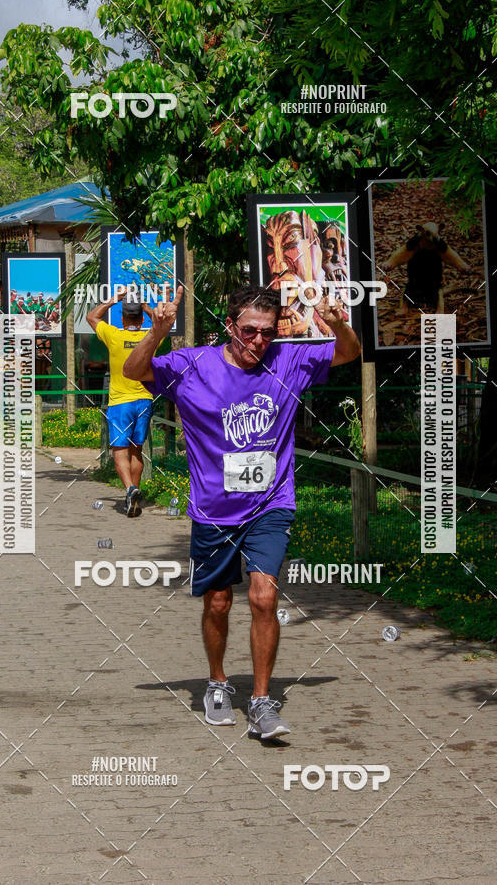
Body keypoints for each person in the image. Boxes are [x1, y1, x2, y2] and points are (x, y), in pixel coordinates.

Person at [123, 285, 361, 738]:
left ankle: (261, 701)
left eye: (266, 333)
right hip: (213, 510)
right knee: (217, 602)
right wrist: (157, 332)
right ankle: (216, 683)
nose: (257, 341)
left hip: (272, 503)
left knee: (264, 597)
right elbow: (133, 369)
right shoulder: (193, 365)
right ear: (230, 326)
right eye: (249, 331)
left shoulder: (287, 360)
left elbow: (348, 354)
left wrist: (337, 322)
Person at [87, 288, 155, 517]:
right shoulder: (150, 336)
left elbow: (92, 317)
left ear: (123, 318)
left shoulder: (114, 335)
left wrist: (113, 299)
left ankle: (130, 489)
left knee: (119, 452)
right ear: (142, 318)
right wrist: (147, 307)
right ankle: (132, 498)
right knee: (137, 452)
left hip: (120, 403)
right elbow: (163, 321)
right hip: (144, 401)